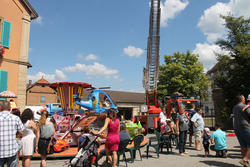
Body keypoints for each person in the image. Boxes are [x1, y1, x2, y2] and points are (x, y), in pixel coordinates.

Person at [0, 101, 24, 167]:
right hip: (11, 149)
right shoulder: (16, 118)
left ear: (0, 107)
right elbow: (22, 131)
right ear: (10, 108)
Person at [232, 95, 250, 167]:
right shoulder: (243, 106)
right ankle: (245, 160)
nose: (245, 99)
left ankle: (245, 164)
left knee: (243, 145)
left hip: (237, 128)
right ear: (242, 99)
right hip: (245, 127)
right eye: (244, 98)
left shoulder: (235, 107)